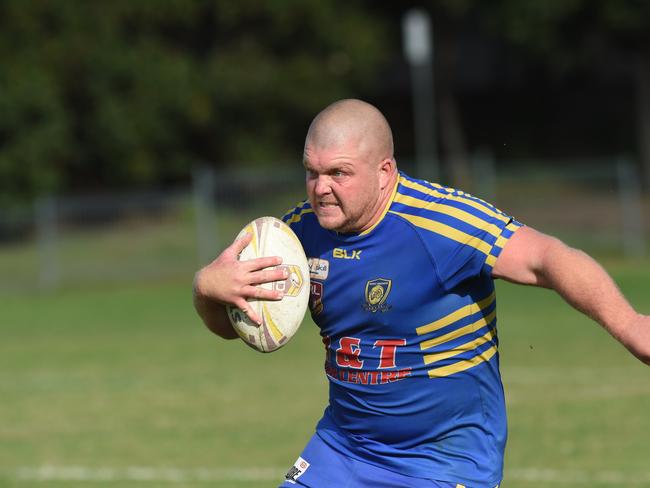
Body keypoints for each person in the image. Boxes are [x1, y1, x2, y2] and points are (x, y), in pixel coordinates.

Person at [192, 99, 650, 488]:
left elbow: (548, 257)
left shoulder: (442, 225)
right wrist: (207, 292)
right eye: (311, 172)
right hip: (344, 450)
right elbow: (240, 330)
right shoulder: (294, 238)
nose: (321, 188)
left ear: (385, 171)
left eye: (338, 173)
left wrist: (631, 326)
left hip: (444, 461)